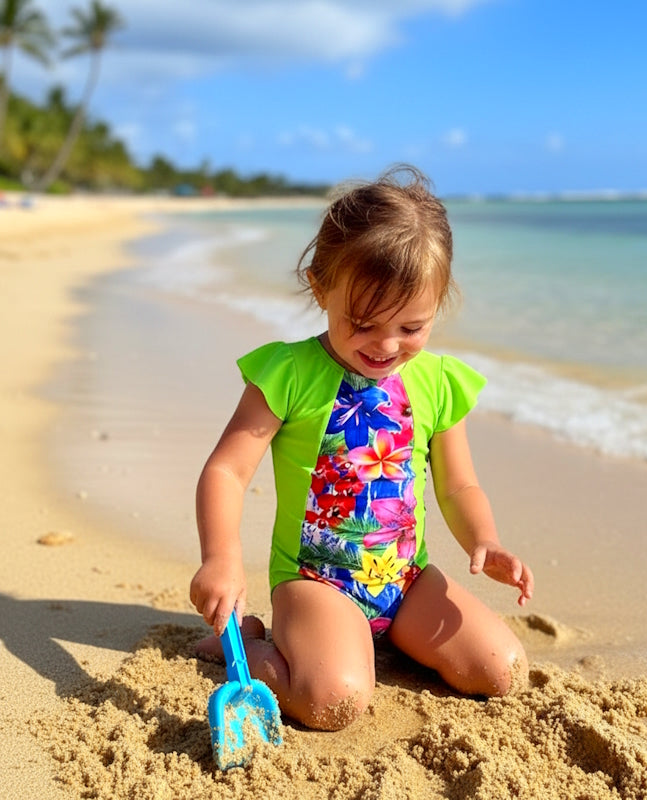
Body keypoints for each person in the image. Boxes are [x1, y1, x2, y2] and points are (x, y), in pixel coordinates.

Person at [190, 165, 534, 731]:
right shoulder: (290, 372)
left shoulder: (437, 382)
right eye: (364, 322)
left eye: (411, 327)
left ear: (438, 305)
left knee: (501, 671)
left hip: (405, 579)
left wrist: (486, 540)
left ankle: (361, 642)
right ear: (320, 285)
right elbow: (227, 470)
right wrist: (221, 558)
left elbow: (458, 484)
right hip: (316, 581)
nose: (387, 344)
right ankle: (247, 647)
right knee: (334, 701)